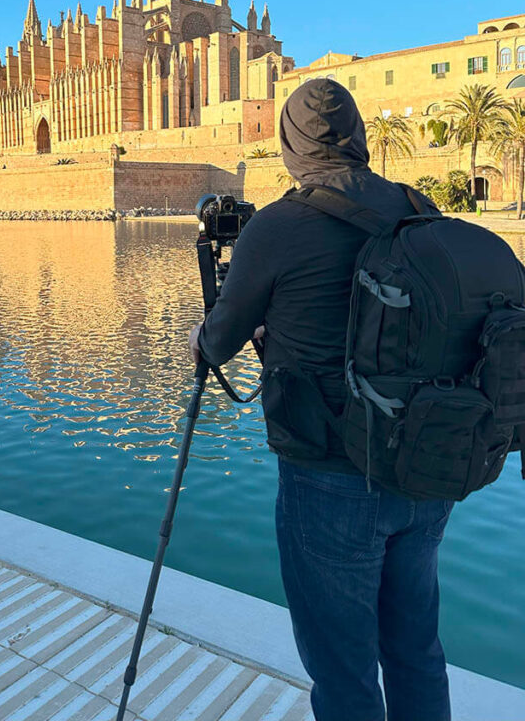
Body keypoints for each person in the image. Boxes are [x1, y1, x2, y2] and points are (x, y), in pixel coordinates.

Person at [189, 79, 452, 721]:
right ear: (359, 136)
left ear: (289, 145)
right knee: (416, 650)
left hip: (330, 480)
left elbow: (214, 347)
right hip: (426, 470)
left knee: (343, 669)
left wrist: (220, 317)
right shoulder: (421, 211)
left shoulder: (277, 226)